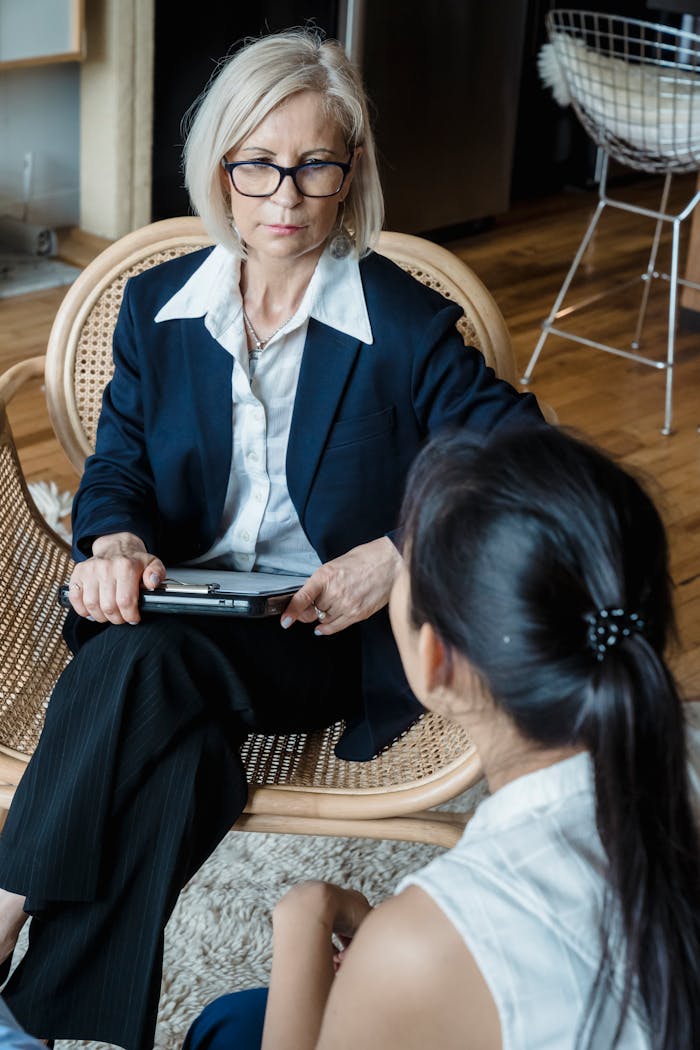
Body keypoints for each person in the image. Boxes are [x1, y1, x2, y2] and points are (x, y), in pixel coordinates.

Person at [0, 27, 542, 1050]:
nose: (284, 196)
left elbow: (526, 453)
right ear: (221, 172)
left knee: (139, 662)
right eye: (258, 164)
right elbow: (116, 468)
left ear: (351, 174)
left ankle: (2, 910)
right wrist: (114, 543)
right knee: (182, 760)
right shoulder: (156, 307)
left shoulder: (402, 323)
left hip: (318, 637)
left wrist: (396, 554)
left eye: (314, 165)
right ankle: (33, 1023)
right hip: (178, 605)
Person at [185, 425, 700, 1050]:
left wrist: (306, 917)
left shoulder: (428, 941)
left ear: (435, 661)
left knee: (224, 1031)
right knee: (241, 1020)